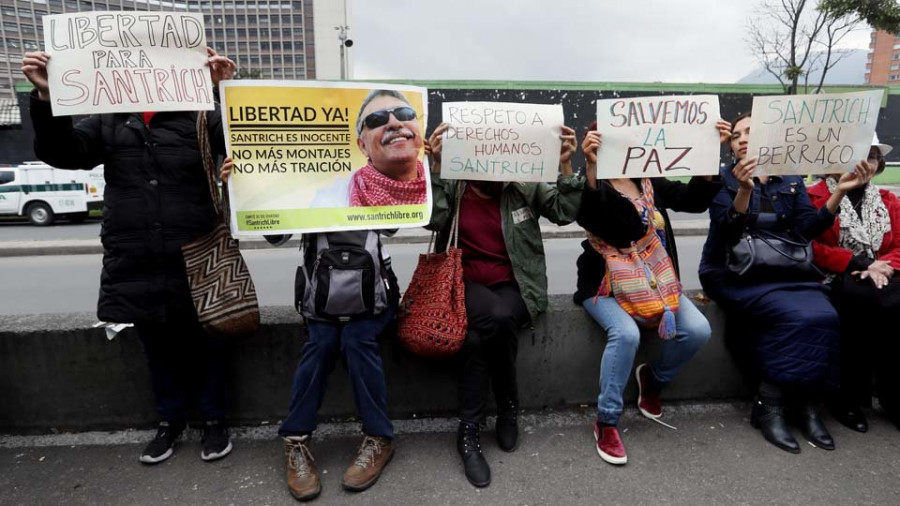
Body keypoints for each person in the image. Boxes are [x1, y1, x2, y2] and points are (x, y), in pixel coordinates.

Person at [21, 48, 238, 464]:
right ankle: (169, 423)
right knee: (156, 345)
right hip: (136, 254)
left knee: (208, 340)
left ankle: (215, 422)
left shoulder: (198, 112)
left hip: (197, 251)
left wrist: (221, 90)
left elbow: (242, 142)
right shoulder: (109, 116)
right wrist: (48, 99)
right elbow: (65, 153)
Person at [220, 97, 411, 498]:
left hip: (373, 295)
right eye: (376, 120)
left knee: (358, 341)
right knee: (322, 343)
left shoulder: (378, 181)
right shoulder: (310, 189)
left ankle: (379, 439)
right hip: (321, 300)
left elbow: (397, 226)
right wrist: (240, 186)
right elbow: (272, 232)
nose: (391, 125)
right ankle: (295, 441)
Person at [699, 113, 874, 454]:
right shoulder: (723, 180)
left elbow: (806, 229)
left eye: (751, 131)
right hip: (734, 273)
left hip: (785, 271)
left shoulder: (790, 179)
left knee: (825, 314)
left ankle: (808, 406)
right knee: (796, 317)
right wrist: (745, 191)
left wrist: (839, 191)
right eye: (736, 135)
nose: (742, 139)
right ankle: (771, 406)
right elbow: (729, 231)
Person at [425, 121, 583, 488]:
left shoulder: (523, 183)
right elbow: (434, 220)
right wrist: (435, 167)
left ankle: (469, 431)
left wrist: (564, 166)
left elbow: (563, 213)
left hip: (516, 285)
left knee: (479, 338)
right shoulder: (456, 182)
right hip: (463, 283)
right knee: (495, 319)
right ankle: (507, 406)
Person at [575, 120, 730, 465]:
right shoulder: (590, 183)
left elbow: (691, 201)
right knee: (625, 334)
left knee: (699, 330)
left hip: (653, 281)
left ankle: (654, 378)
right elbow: (601, 220)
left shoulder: (648, 179)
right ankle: (607, 420)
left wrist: (708, 155)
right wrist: (591, 168)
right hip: (605, 285)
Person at [808, 135, 900, 433]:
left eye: (871, 157)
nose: (864, 164)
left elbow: (898, 245)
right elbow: (814, 247)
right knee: (858, 309)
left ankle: (891, 396)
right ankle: (847, 399)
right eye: (855, 156)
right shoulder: (815, 196)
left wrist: (882, 267)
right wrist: (861, 264)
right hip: (838, 276)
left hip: (883, 275)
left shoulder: (888, 200)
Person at [348, 90, 428, 207]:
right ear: (363, 146)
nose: (395, 123)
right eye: (377, 119)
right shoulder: (336, 199)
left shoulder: (444, 185)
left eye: (404, 114)